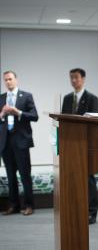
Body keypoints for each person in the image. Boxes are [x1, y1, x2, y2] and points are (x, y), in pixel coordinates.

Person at [61, 68, 98, 224]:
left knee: (88, 178)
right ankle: (76, 209)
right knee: (73, 177)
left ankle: (92, 212)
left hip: (87, 144)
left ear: (83, 79)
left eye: (76, 78)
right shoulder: (66, 99)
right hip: (70, 145)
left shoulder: (92, 99)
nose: (73, 81)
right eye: (71, 78)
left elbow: (96, 122)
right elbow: (63, 119)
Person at [0, 71, 38, 216]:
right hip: (5, 143)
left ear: (16, 79)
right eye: (5, 80)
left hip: (21, 142)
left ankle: (29, 205)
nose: (8, 82)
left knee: (25, 175)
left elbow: (35, 116)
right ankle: (14, 205)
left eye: (10, 79)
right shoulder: (1, 98)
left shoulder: (26, 96)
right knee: (10, 176)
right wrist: (2, 114)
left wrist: (18, 112)